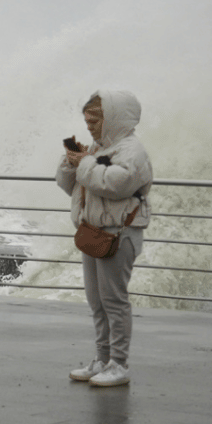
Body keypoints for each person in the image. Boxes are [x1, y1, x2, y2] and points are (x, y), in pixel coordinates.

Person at [56, 90, 154, 387]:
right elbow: (69, 185)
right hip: (93, 231)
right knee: (97, 302)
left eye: (95, 119)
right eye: (86, 119)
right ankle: (101, 359)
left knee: (114, 301)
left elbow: (115, 184)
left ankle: (119, 364)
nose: (89, 125)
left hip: (119, 233)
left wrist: (85, 163)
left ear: (114, 118)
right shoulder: (99, 148)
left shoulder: (132, 151)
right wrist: (70, 162)